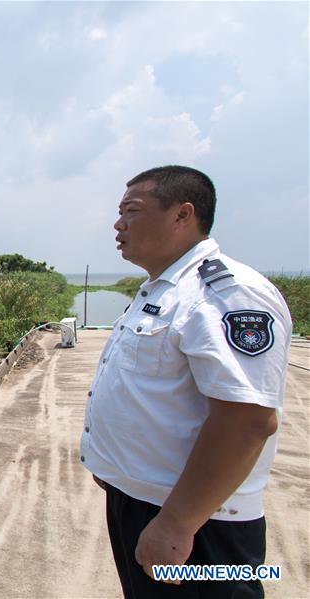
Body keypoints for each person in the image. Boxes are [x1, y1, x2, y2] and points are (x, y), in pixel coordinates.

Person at [80, 165, 292, 598]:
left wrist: (177, 524)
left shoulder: (225, 293)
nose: (117, 224)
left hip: (200, 528)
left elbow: (247, 420)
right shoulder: (160, 290)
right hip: (145, 504)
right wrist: (117, 469)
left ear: (182, 215)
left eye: (131, 211)